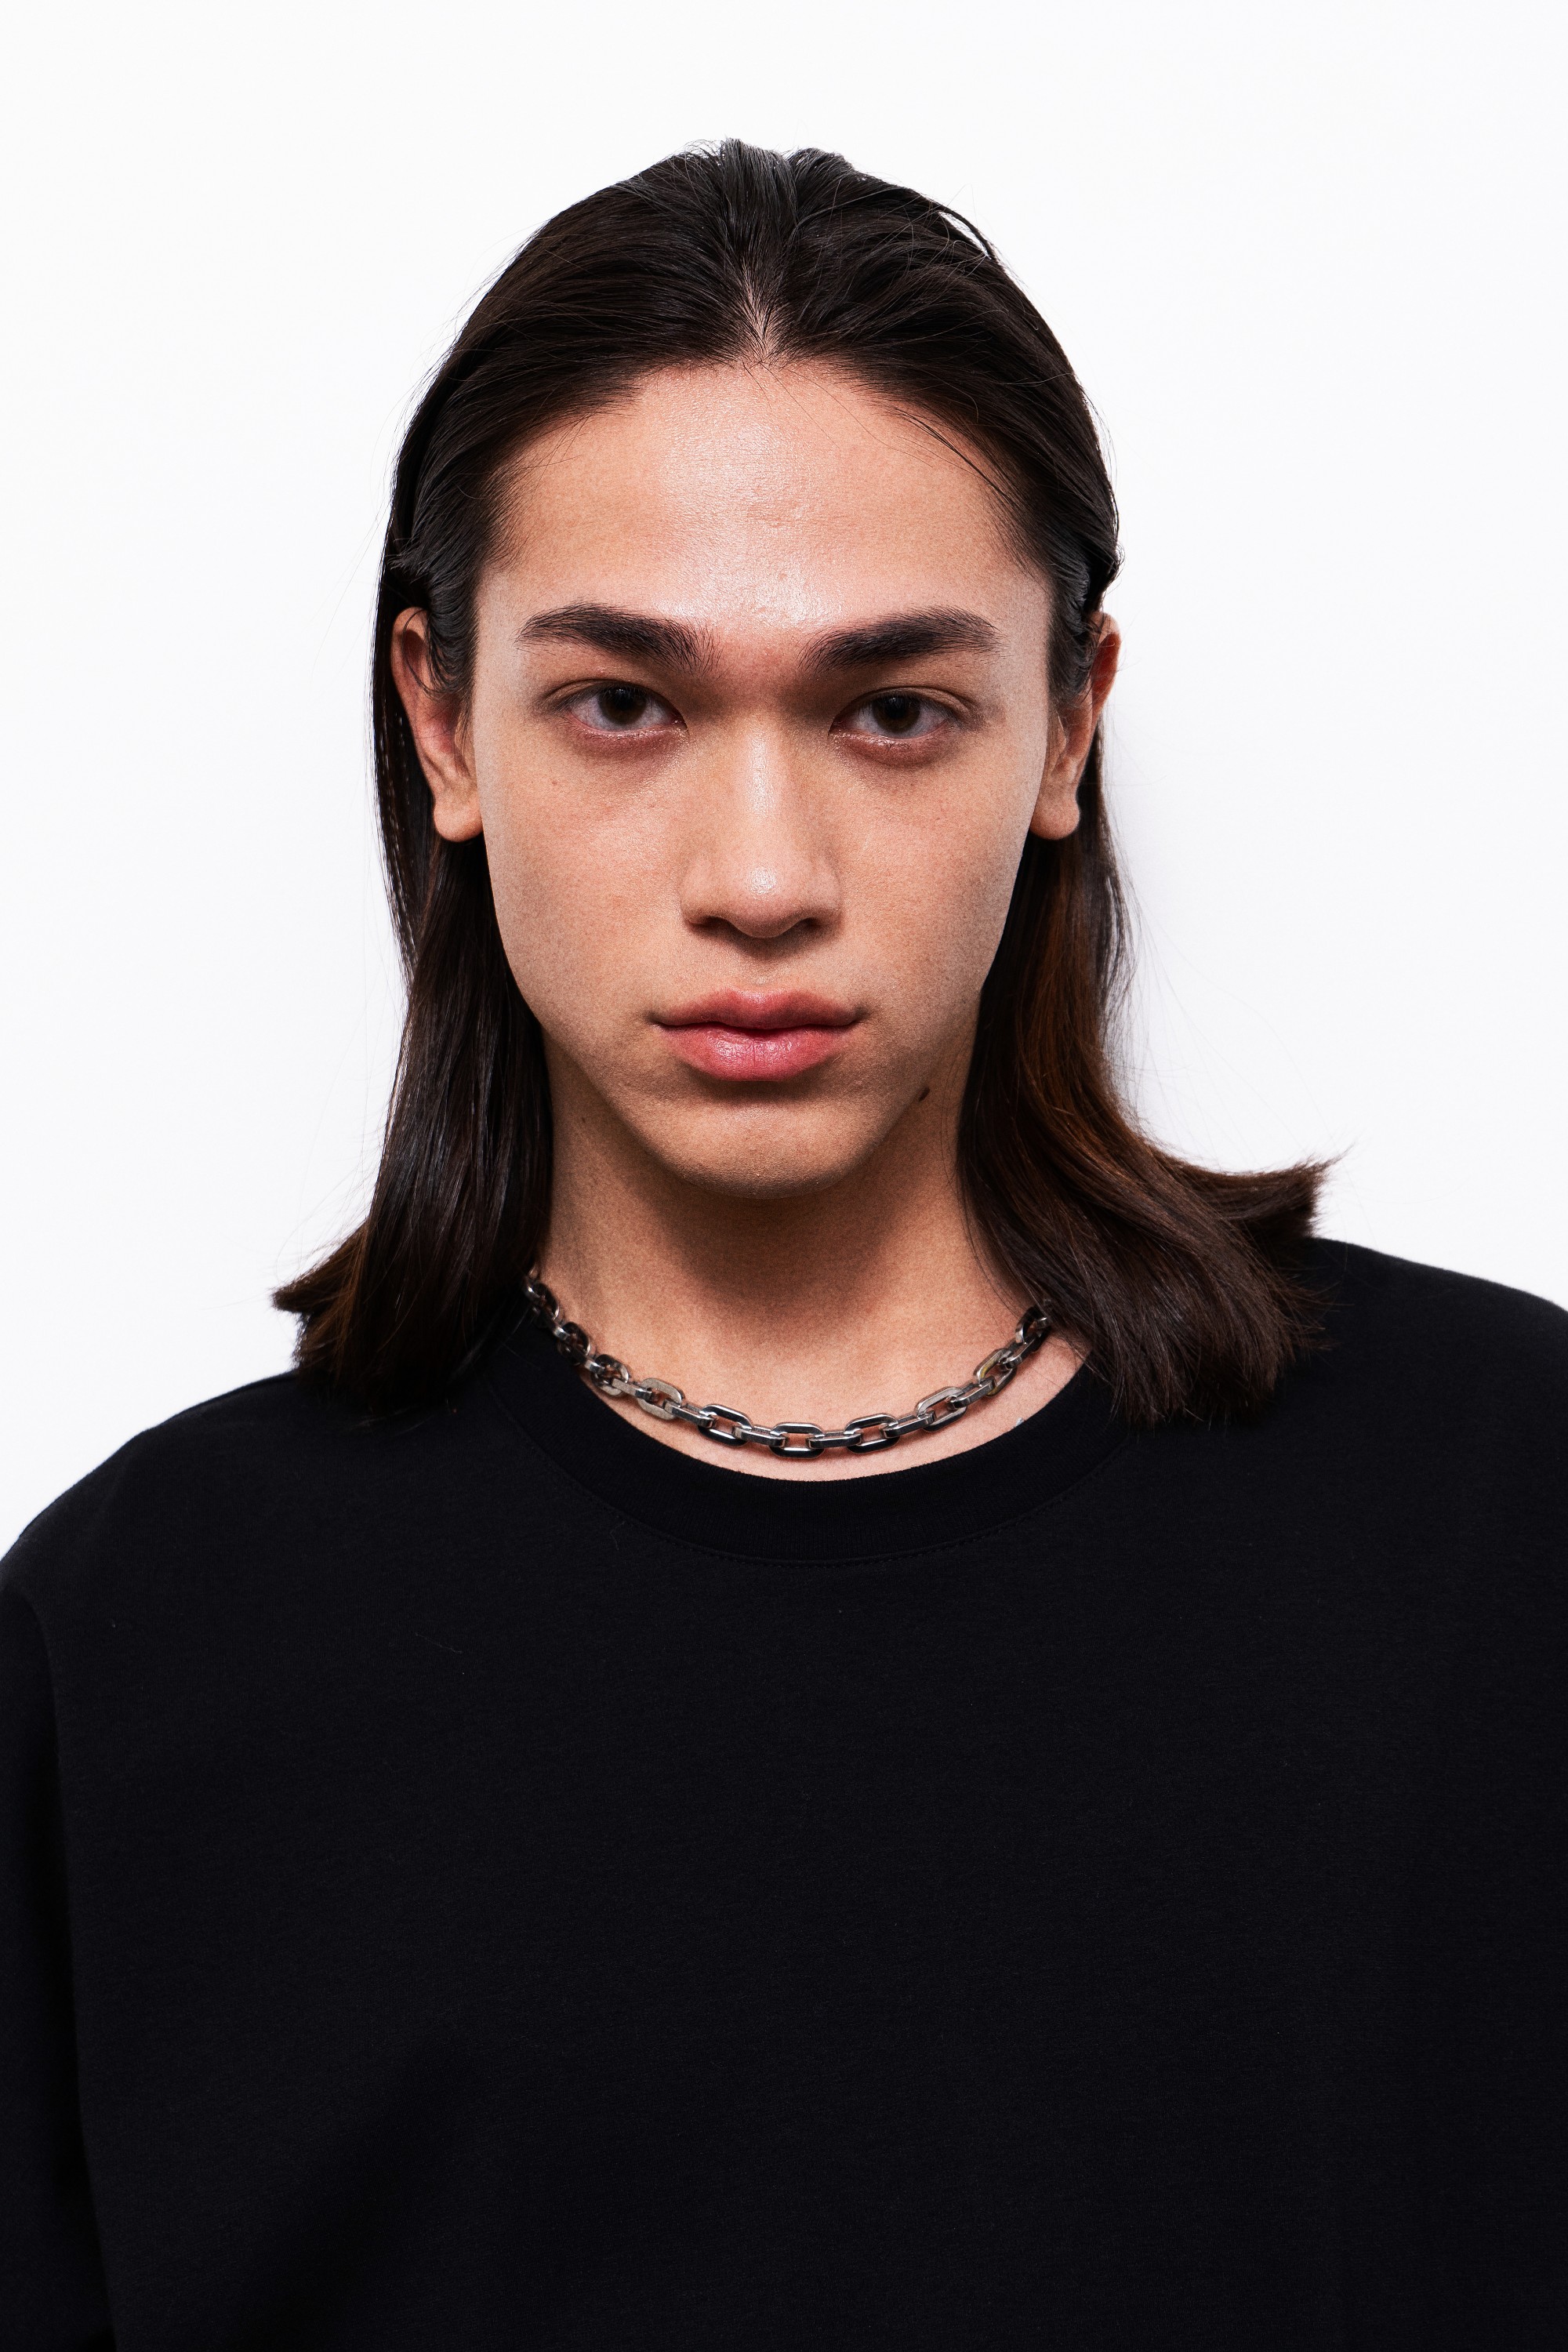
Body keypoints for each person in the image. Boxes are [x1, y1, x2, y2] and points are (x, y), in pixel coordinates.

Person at [2, 140, 1563, 2350]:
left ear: (1069, 724)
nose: (761, 877)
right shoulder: (130, 1646)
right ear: (443, 721)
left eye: (892, 709)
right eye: (623, 704)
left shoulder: (1505, 1515)